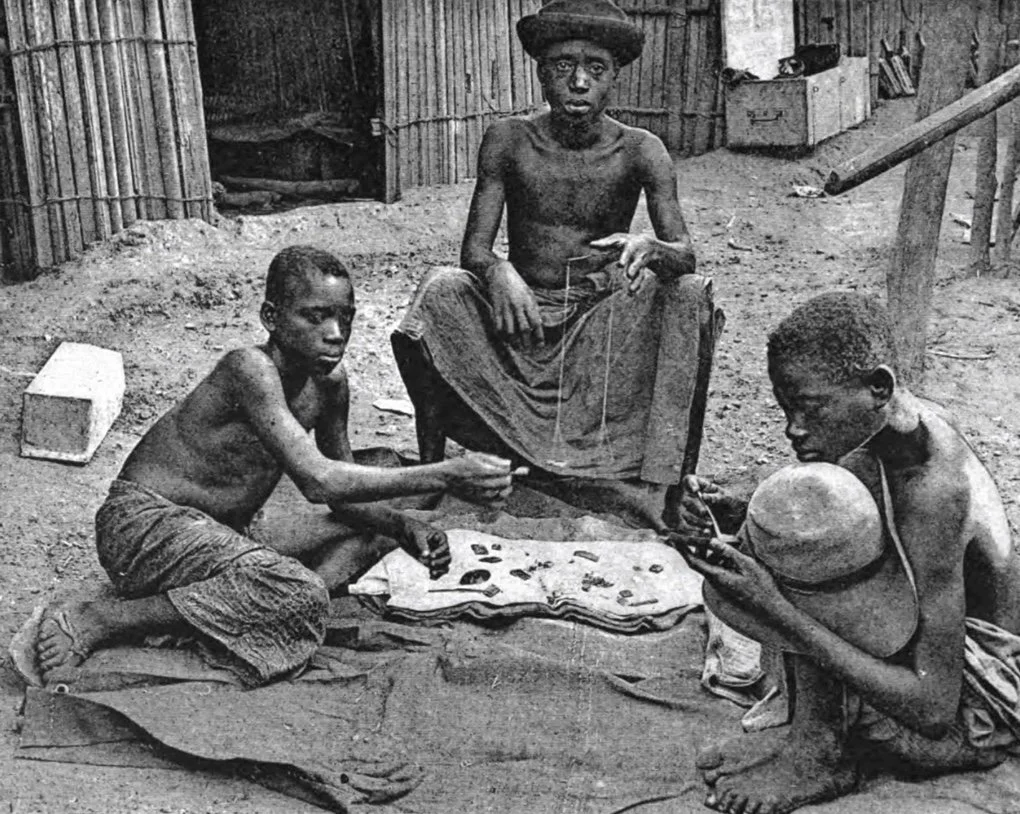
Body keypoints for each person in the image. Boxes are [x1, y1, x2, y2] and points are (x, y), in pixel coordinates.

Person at [31, 246, 517, 687]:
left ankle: (251, 598)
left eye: (346, 317)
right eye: (316, 316)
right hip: (145, 527)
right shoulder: (249, 369)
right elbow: (314, 478)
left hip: (227, 530)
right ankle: (103, 619)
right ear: (272, 317)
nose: (336, 333)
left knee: (377, 537)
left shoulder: (330, 383)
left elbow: (338, 495)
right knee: (297, 591)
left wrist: (405, 526)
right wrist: (447, 473)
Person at [668, 292, 1020, 814]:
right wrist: (738, 514)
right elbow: (882, 529)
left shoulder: (933, 489)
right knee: (797, 528)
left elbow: (934, 708)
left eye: (809, 409)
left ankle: (820, 751)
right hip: (916, 639)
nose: (793, 429)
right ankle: (814, 734)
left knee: (810, 555)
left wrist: (778, 611)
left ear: (879, 386)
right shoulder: (886, 427)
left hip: (981, 702)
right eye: (786, 410)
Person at [392, 0, 710, 529]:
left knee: (690, 294)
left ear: (614, 79)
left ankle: (671, 484)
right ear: (541, 72)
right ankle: (433, 472)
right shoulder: (509, 139)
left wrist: (649, 248)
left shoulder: (642, 150)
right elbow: (473, 249)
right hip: (519, 318)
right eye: (563, 67)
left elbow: (685, 254)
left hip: (599, 321)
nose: (579, 82)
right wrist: (498, 272)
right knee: (439, 291)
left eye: (595, 70)